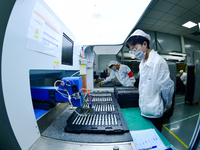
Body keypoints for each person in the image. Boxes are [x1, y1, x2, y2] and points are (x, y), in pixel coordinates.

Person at [125, 29, 174, 132]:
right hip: (143, 110)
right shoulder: (141, 63)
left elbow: (166, 88)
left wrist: (168, 105)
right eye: (131, 50)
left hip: (155, 113)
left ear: (144, 44)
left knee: (155, 142)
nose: (134, 53)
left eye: (135, 48)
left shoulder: (158, 62)